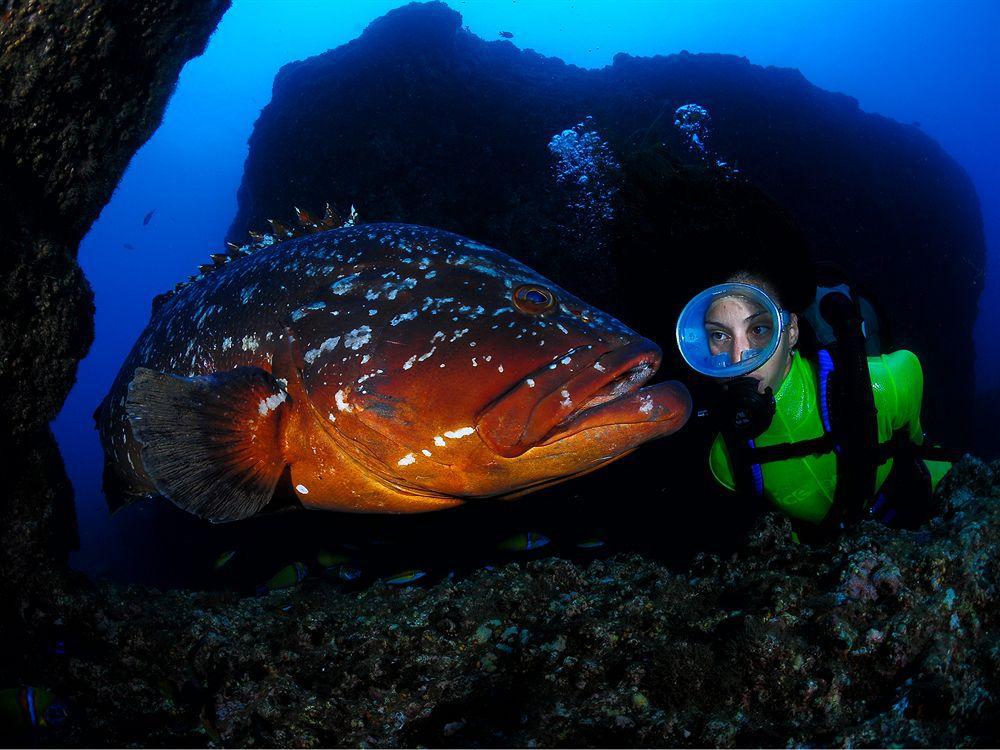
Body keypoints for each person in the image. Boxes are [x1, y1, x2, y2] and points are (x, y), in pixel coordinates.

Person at [675, 270, 952, 537]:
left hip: (934, 513)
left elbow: (908, 370)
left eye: (759, 329)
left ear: (792, 331)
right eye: (719, 336)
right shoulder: (724, 461)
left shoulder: (887, 384)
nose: (738, 360)